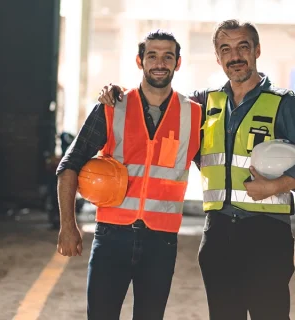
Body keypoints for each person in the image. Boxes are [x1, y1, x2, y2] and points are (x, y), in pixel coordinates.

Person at [98, 20, 295, 320]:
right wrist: (117, 92)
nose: (235, 56)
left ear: (257, 50)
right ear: (217, 57)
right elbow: (159, 101)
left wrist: (276, 186)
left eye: (243, 46)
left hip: (266, 235)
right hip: (217, 234)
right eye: (225, 49)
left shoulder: (284, 103)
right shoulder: (202, 103)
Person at [56, 30, 202, 320]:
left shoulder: (194, 115)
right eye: (152, 56)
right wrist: (68, 226)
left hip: (161, 241)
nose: (159, 63)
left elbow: (216, 168)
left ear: (178, 63)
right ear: (140, 61)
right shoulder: (112, 106)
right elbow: (69, 164)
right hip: (112, 236)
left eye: (167, 56)